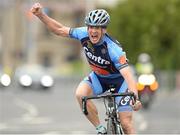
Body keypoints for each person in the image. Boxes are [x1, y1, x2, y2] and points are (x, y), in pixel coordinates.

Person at [31, 3, 142, 134]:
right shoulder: (82, 33)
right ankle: (100, 129)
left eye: (97, 28)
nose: (93, 31)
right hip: (99, 77)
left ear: (104, 30)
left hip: (119, 81)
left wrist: (136, 98)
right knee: (80, 94)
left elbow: (128, 75)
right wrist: (41, 15)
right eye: (90, 27)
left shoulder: (114, 50)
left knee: (126, 124)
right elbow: (59, 29)